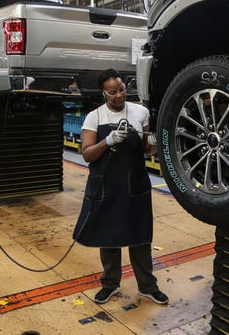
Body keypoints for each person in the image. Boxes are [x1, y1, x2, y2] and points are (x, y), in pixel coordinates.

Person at [72, 69, 168, 305]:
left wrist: (153, 133)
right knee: (109, 238)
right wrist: (108, 140)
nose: (119, 95)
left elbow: (149, 149)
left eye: (122, 90)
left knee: (140, 237)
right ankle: (110, 284)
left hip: (135, 184)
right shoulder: (94, 117)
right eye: (112, 92)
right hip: (106, 187)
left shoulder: (140, 112)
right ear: (104, 93)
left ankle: (147, 286)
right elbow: (87, 154)